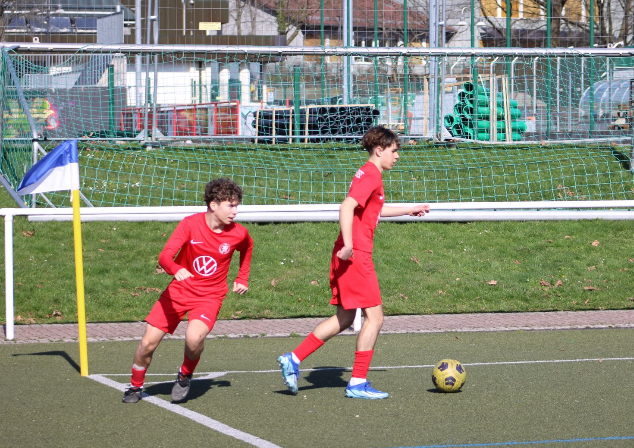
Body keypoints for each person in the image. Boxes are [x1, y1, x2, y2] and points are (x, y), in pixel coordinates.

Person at [278, 127, 428, 399]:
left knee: (346, 317)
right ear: (379, 150)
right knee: (375, 318)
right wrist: (349, 244)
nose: (397, 156)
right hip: (356, 254)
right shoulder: (371, 174)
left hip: (351, 253)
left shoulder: (367, 173)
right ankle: (357, 383)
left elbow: (375, 209)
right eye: (394, 151)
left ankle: (293, 358)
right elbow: (346, 206)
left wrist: (409, 208)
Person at [122, 178, 254, 403]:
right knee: (147, 344)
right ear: (214, 205)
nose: (236, 211)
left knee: (193, 339)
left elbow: (247, 247)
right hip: (178, 292)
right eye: (231, 205)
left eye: (237, 205)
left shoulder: (239, 233)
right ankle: (135, 387)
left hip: (210, 296)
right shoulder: (190, 224)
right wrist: (175, 269)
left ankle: (184, 375)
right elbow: (164, 256)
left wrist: (242, 277)